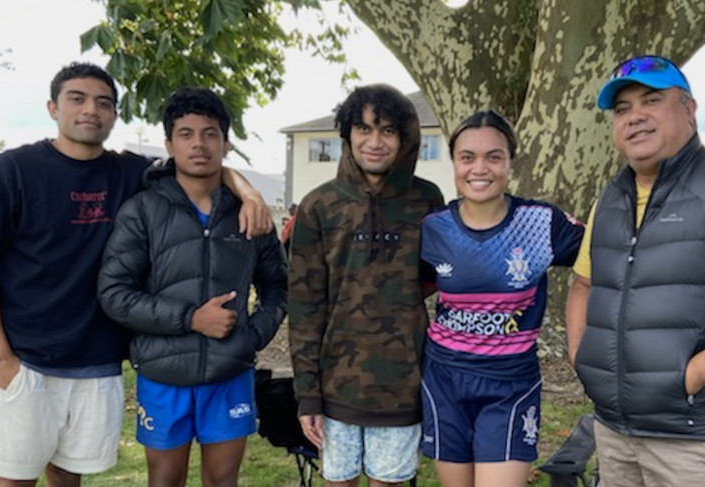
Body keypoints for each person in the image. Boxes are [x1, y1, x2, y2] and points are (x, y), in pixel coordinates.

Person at [0, 62, 271, 487]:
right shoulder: (13, 170)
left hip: (97, 362)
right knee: (14, 478)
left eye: (103, 103)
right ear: (53, 107)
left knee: (69, 477)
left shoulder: (128, 173)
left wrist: (248, 191)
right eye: (77, 99)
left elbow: (200, 165)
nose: (91, 110)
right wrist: (0, 356)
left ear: (114, 115)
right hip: (28, 357)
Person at [565, 55, 705, 486]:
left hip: (696, 438)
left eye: (652, 100)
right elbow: (583, 285)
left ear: (689, 109)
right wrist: (581, 359)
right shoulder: (609, 199)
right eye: (623, 109)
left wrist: (692, 376)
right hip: (613, 432)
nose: (636, 117)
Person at [97, 87, 287, 487]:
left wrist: (250, 336)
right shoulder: (143, 210)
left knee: (223, 480)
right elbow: (114, 293)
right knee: (165, 481)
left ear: (226, 142)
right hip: (163, 373)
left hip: (229, 373)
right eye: (186, 134)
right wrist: (190, 319)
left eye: (210, 133)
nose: (198, 144)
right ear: (169, 143)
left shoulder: (249, 212)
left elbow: (277, 286)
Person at [288, 84, 444, 487]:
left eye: (388, 131)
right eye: (364, 128)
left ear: (405, 139)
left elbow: (434, 281)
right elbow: (305, 307)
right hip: (334, 387)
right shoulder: (318, 205)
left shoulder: (427, 201)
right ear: (347, 134)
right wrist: (307, 393)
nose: (375, 142)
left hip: (403, 386)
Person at [419, 110, 583, 487]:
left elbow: (610, 252)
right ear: (455, 163)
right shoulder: (433, 228)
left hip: (509, 385)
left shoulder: (541, 223)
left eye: (493, 156)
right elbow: (414, 287)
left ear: (510, 161)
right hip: (445, 380)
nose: (480, 168)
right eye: (467, 157)